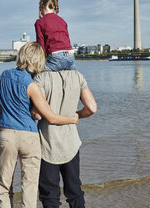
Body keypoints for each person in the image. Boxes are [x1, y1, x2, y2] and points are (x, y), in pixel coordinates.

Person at [0, 42, 79, 208]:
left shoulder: (3, 76)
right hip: (29, 136)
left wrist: (0, 131)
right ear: (38, 61)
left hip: (7, 134)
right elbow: (49, 117)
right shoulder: (32, 86)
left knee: (4, 184)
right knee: (29, 185)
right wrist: (72, 119)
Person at [34, 70, 97, 208]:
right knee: (75, 190)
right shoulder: (77, 76)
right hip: (71, 143)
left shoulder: (41, 78)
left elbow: (37, 114)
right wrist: (77, 116)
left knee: (50, 193)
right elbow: (92, 108)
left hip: (47, 143)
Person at [35, 0, 76, 71]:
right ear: (54, 7)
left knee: (37, 72)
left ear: (42, 6)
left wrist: (39, 63)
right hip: (71, 57)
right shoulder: (62, 21)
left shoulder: (40, 22)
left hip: (56, 57)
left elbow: (41, 46)